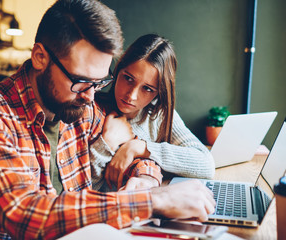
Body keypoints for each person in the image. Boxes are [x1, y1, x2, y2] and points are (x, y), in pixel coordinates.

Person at [0, 1, 215, 239]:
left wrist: (141, 177)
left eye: (100, 82)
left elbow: (141, 160)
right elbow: (23, 215)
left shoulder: (81, 105)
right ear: (40, 57)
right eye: (81, 81)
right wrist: (153, 199)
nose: (92, 96)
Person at [90, 34, 215, 191]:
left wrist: (139, 147)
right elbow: (79, 190)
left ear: (158, 93)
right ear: (118, 70)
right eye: (128, 78)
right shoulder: (92, 111)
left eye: (147, 89)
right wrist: (106, 144)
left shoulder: (158, 114)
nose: (132, 95)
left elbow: (206, 164)